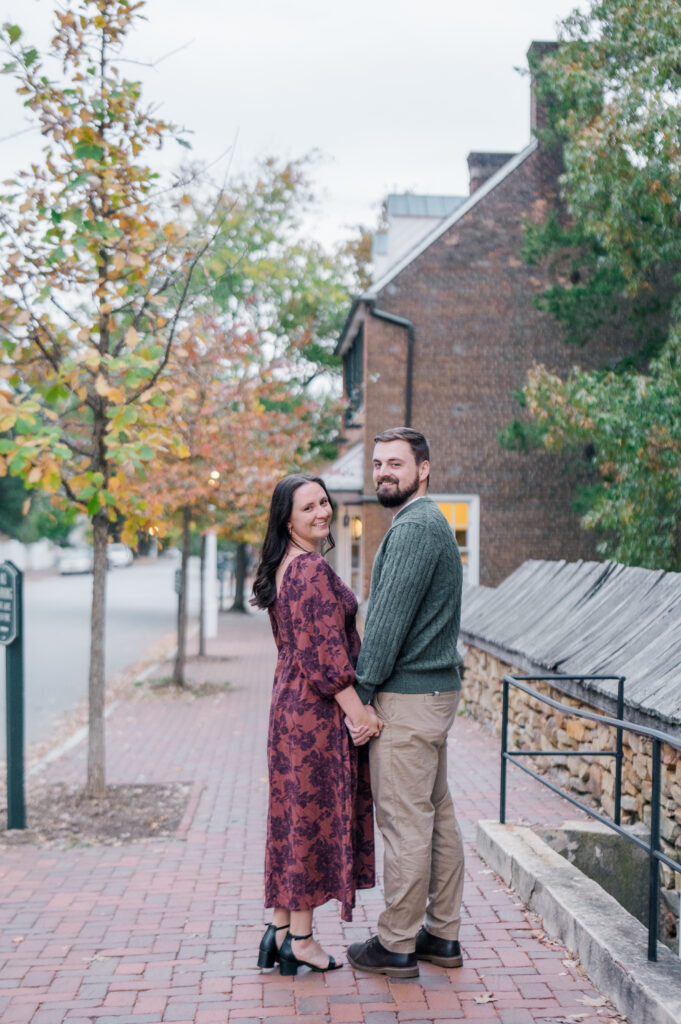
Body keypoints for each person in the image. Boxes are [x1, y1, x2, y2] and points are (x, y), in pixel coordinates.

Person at [251, 473, 381, 975]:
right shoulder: (308, 570)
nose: (322, 512)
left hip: (288, 705)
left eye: (324, 502)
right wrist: (361, 716)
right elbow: (326, 657)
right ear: (288, 519)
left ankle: (280, 930)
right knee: (307, 822)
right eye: (309, 508)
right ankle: (302, 941)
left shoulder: (284, 566)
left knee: (290, 819)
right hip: (313, 713)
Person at [346, 427, 465, 979]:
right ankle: (441, 935)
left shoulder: (414, 527)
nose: (383, 472)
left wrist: (361, 698)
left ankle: (395, 942)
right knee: (436, 815)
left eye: (395, 463)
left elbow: (387, 624)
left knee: (405, 822)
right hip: (434, 695)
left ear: (424, 469)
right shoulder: (427, 522)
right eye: (377, 464)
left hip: (409, 699)